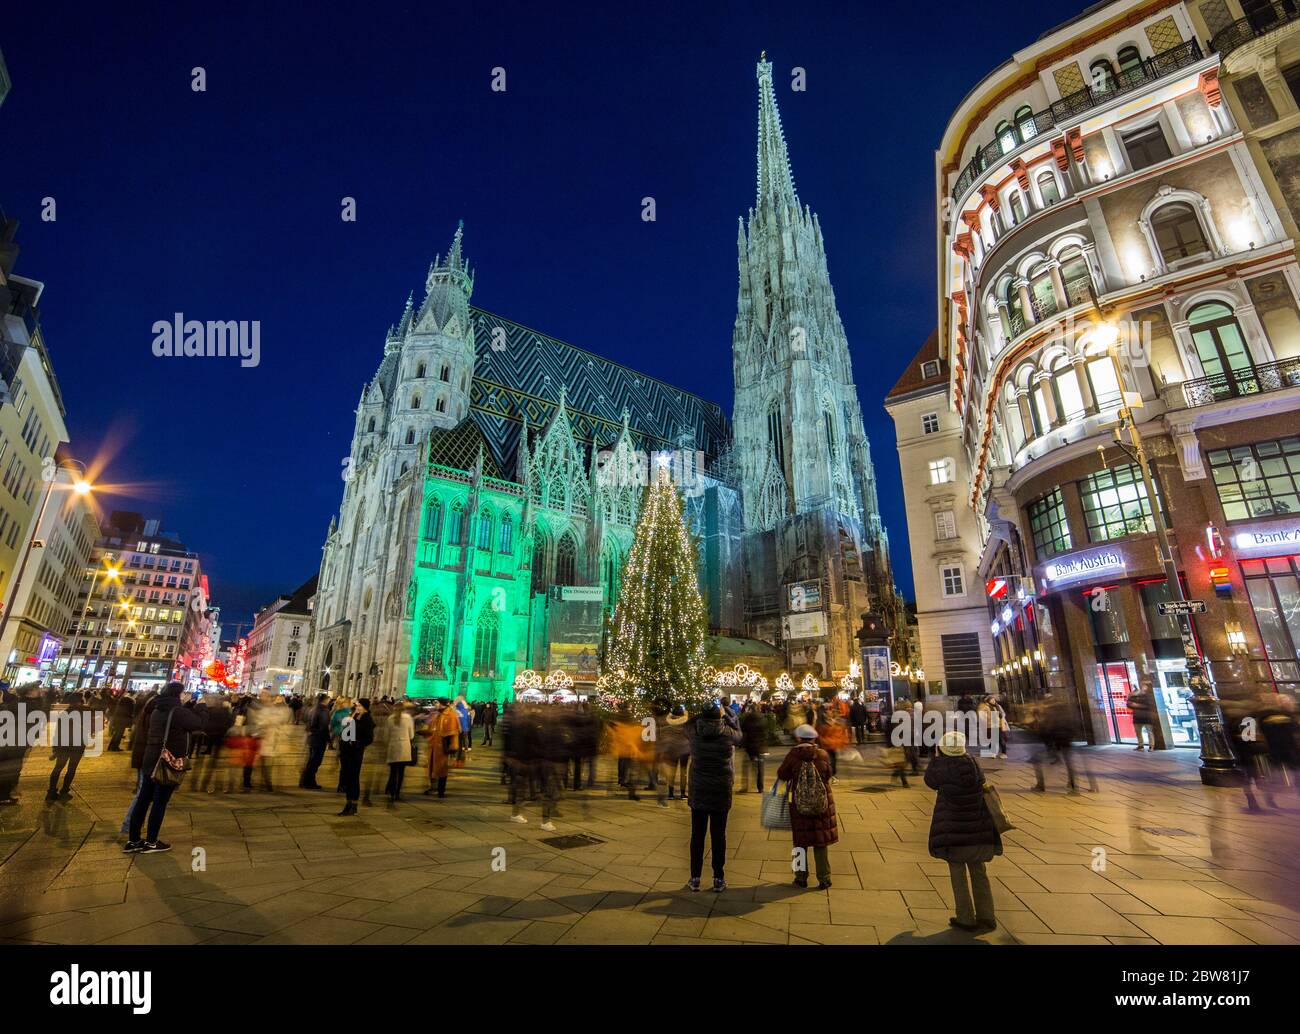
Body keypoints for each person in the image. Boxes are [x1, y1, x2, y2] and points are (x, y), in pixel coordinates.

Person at [925, 730, 1001, 933]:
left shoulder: (941, 767)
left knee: (957, 873)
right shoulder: (973, 763)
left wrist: (936, 758)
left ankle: (965, 917)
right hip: (977, 828)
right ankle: (987, 916)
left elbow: (929, 781)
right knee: (979, 871)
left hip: (953, 830)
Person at [126, 682, 203, 853]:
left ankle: (133, 840)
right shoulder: (177, 711)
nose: (186, 695)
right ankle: (151, 842)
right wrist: (199, 705)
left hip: (150, 758)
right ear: (178, 694)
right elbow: (198, 722)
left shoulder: (157, 709)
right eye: (184, 693)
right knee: (159, 802)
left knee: (143, 799)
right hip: (167, 761)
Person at [685, 702, 742, 892]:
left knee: (697, 835)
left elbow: (687, 723)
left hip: (699, 790)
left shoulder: (694, 732)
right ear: (719, 717)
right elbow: (739, 735)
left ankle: (695, 878)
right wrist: (726, 718)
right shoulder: (727, 734)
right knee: (719, 836)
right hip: (720, 790)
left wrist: (697, 715)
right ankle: (718, 878)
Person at [776, 724, 838, 889]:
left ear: (799, 738)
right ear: (814, 738)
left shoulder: (793, 755)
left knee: (799, 841)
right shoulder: (822, 754)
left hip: (799, 803)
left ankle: (800, 877)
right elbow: (828, 774)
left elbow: (782, 774)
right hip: (821, 804)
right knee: (820, 841)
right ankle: (824, 878)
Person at [47, 692, 91, 801]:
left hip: (64, 745)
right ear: (80, 701)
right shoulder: (86, 713)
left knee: (57, 768)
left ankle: (51, 792)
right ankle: (64, 791)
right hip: (78, 745)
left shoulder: (64, 713)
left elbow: (58, 732)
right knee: (72, 768)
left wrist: (55, 748)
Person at [337, 698, 374, 816]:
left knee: (353, 778)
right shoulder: (354, 715)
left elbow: (369, 738)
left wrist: (357, 743)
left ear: (364, 706)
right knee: (347, 777)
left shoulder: (367, 719)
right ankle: (348, 804)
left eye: (358, 705)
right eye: (356, 704)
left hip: (355, 752)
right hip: (346, 750)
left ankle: (353, 805)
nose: (356, 706)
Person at [424, 698, 461, 798]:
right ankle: (433, 787)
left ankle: (441, 790)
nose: (435, 705)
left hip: (443, 747)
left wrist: (453, 747)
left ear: (442, 704)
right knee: (433, 767)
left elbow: (453, 733)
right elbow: (433, 728)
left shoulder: (450, 715)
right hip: (434, 745)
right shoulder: (438, 714)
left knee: (441, 768)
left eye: (437, 703)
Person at [658, 704, 691, 802]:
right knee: (683, 772)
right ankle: (682, 794)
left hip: (672, 749)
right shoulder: (686, 722)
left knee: (672, 772)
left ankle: (671, 793)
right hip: (684, 750)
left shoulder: (669, 723)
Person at [384, 703, 415, 802]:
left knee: (393, 772)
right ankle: (397, 792)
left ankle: (392, 792)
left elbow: (386, 735)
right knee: (401, 772)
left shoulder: (390, 719)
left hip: (393, 746)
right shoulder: (408, 718)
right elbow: (411, 735)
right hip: (404, 747)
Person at [300, 693, 332, 789]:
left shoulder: (313, 709)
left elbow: (307, 721)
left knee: (311, 760)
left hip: (312, 738)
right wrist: (328, 739)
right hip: (319, 739)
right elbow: (324, 727)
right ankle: (308, 782)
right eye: (328, 699)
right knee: (315, 761)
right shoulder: (324, 711)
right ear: (325, 700)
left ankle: (306, 781)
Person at [738, 702, 767, 793]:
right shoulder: (762, 718)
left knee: (746, 766)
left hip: (750, 746)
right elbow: (765, 732)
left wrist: (742, 743)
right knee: (760, 767)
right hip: (760, 746)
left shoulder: (748, 718)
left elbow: (743, 730)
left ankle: (745, 787)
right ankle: (760, 787)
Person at [1129, 681, 1157, 751]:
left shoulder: (1148, 696)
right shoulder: (1134, 696)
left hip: (1146, 717)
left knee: (1149, 732)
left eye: (1144, 686)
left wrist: (1137, 705)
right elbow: (1129, 703)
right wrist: (1131, 696)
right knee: (1138, 732)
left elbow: (1149, 705)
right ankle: (1140, 745)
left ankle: (1151, 746)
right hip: (1137, 717)